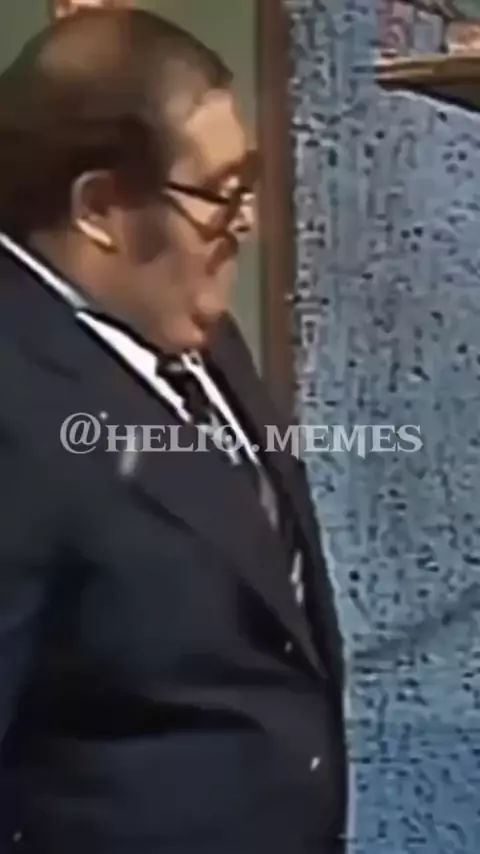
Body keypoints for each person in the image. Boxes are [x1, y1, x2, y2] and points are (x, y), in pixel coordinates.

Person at [0, 9, 347, 854]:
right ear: (101, 207)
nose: (247, 224)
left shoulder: (193, 327)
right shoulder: (15, 404)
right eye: (221, 194)